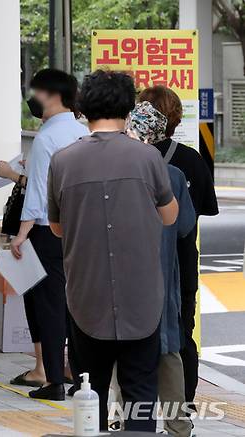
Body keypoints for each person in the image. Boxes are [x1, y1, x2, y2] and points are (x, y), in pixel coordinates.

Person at [47, 70, 178, 432]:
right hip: (142, 300)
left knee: (91, 394)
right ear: (127, 106)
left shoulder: (62, 161)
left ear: (84, 108)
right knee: (140, 393)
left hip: (86, 298)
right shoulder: (147, 158)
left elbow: (57, 227)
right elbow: (170, 217)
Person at [8, 69, 89, 401]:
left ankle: (53, 379)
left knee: (50, 307)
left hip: (48, 231)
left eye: (37, 92)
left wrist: (21, 235)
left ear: (52, 96)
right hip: (81, 230)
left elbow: (38, 192)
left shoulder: (46, 138)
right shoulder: (83, 133)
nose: (33, 98)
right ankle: (81, 377)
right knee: (78, 307)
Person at [137, 86, 219, 406]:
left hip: (137, 262)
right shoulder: (192, 161)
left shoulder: (130, 159)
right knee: (182, 332)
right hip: (182, 262)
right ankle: (182, 403)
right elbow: (200, 212)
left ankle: (136, 402)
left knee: (134, 334)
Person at [125, 101, 196, 437]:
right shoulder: (174, 175)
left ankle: (122, 418)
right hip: (162, 278)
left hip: (120, 278)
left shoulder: (115, 170)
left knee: (119, 350)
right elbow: (183, 227)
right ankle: (178, 426)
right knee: (168, 353)